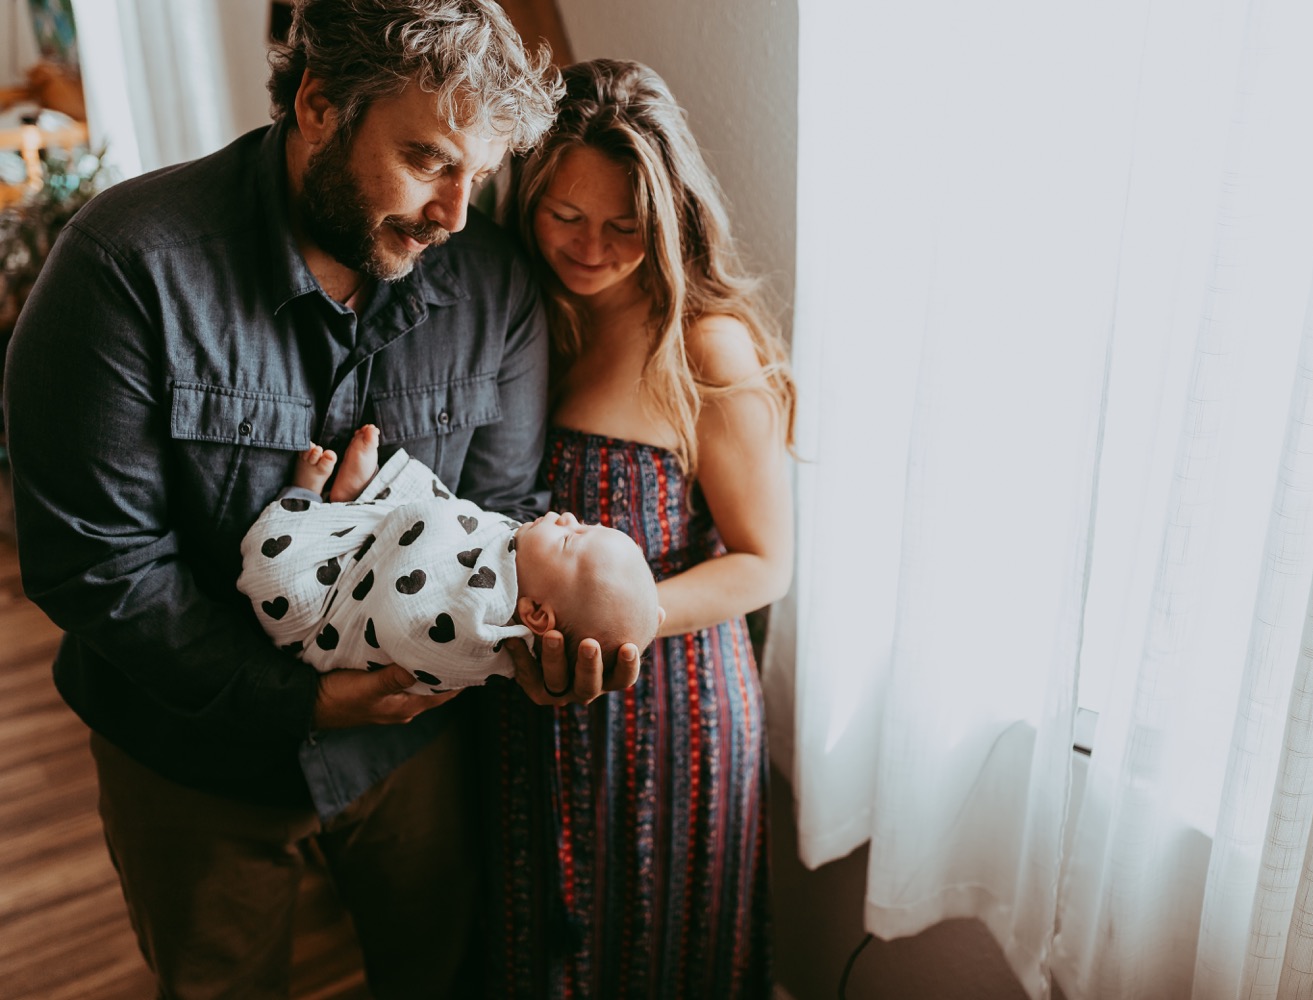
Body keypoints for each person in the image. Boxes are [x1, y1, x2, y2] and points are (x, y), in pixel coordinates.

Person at [3, 2, 637, 996]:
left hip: (408, 747)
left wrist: (525, 650)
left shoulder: (493, 288)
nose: (456, 213)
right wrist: (303, 697)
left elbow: (503, 514)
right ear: (318, 105)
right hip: (190, 755)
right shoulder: (127, 269)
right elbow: (98, 567)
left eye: (481, 172)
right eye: (427, 158)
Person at [481, 58, 796, 998]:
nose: (589, 248)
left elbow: (764, 563)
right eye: (565, 216)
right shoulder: (520, 314)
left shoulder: (702, 344)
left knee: (661, 952)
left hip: (670, 710)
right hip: (527, 710)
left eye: (625, 226)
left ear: (669, 220)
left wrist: (628, 619)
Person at [238, 423, 662, 691]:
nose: (568, 518)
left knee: (275, 571)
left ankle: (305, 500)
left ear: (534, 615)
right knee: (459, 517)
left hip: (326, 614)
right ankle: (360, 504)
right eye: (583, 522)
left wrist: (433, 525)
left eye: (571, 540)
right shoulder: (516, 553)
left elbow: (407, 618)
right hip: (384, 550)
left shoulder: (479, 629)